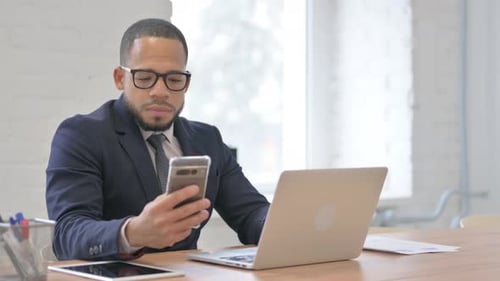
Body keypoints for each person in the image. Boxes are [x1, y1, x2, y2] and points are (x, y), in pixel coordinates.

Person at [45, 18, 270, 260]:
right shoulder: (81, 135)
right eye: (144, 78)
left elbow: (251, 213)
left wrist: (288, 226)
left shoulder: (208, 139)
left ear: (186, 84)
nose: (160, 91)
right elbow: (67, 234)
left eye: (173, 80)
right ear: (120, 78)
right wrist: (132, 233)